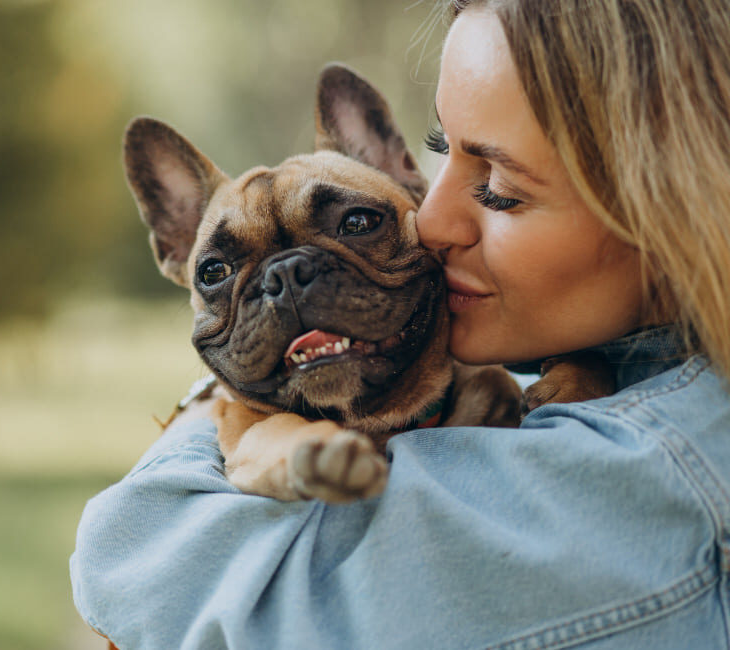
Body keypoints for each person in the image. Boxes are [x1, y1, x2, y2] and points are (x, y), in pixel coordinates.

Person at [71, 0, 730, 647]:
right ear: (175, 247)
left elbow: (132, 564)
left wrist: (209, 419)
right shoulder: (594, 379)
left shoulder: (655, 475)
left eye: (500, 183)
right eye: (441, 151)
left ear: (664, 196)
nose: (431, 221)